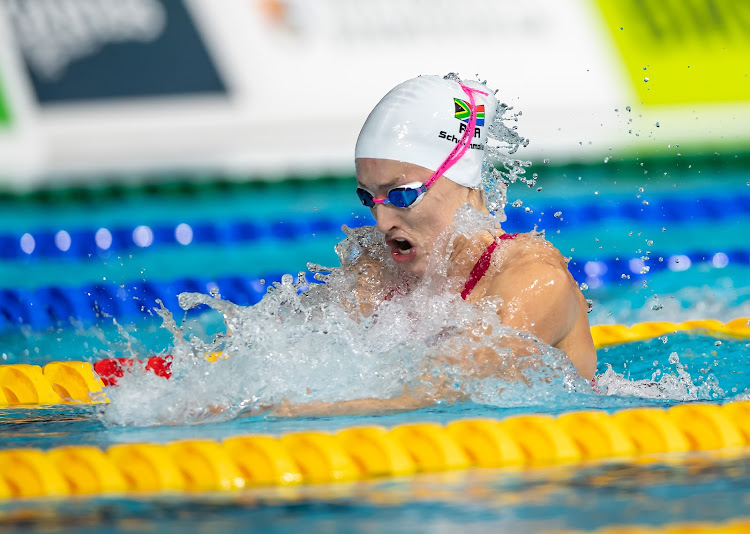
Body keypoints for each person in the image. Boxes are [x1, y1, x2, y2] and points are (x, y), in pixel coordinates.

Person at [271, 74, 597, 417]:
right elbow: (291, 357)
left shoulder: (533, 282)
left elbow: (443, 389)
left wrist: (292, 412)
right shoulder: (378, 269)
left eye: (402, 195)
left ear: (462, 178)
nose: (382, 222)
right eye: (368, 197)